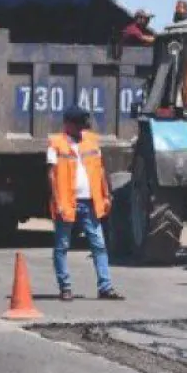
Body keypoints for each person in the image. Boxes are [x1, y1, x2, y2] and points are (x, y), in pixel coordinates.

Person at [47, 104, 123, 301]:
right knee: (62, 245)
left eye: (84, 124)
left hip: (90, 202)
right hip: (67, 202)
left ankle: (105, 287)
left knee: (99, 244)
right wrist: (58, 202)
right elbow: (52, 176)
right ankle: (65, 288)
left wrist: (107, 194)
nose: (83, 129)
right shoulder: (56, 143)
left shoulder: (91, 142)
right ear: (68, 124)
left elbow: (101, 170)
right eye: (79, 124)